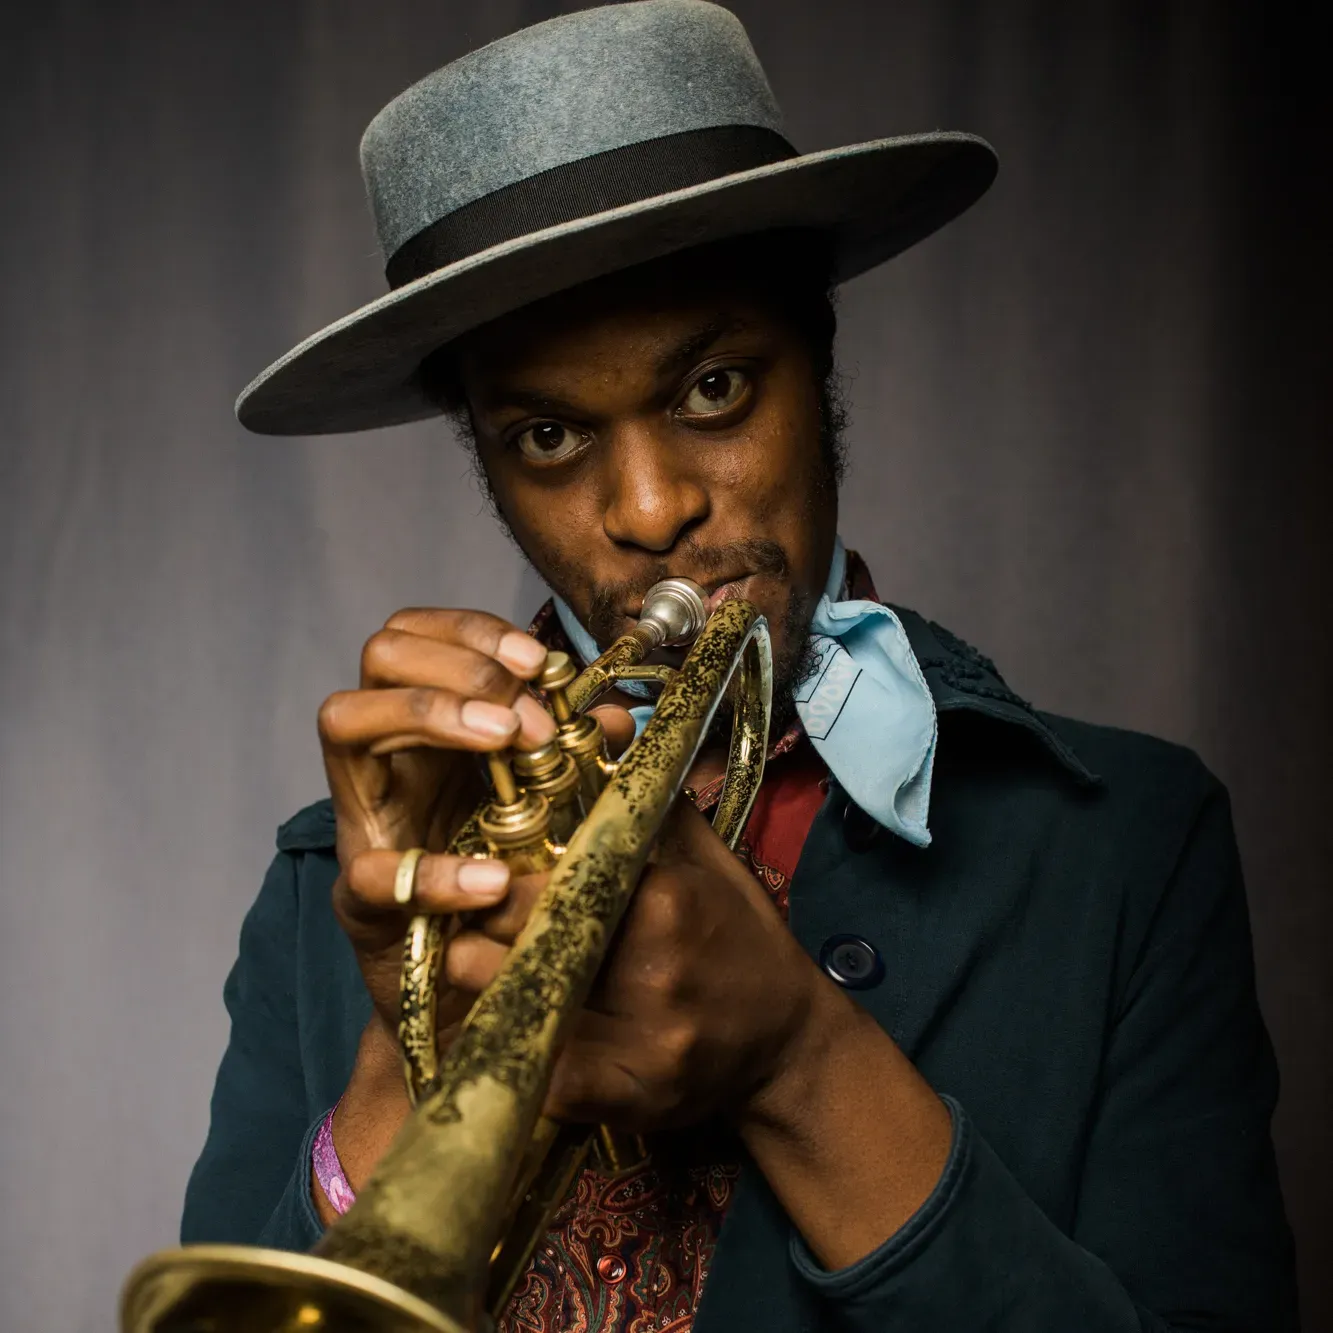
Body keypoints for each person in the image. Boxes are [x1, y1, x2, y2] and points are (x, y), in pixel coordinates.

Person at [181, 3, 1298, 1330]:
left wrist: (795, 1057)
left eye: (713, 388)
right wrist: (406, 1055)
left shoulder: (1128, 848)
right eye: (548, 437)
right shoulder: (343, 877)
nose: (652, 510)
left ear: (818, 364)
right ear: (484, 456)